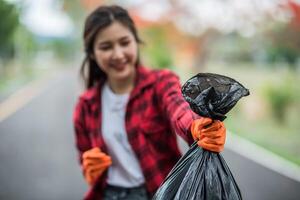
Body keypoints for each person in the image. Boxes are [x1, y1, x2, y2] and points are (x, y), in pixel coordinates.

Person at [73, 5, 226, 200]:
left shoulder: (160, 83)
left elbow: (178, 108)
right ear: (93, 53)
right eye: (106, 47)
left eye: (124, 42)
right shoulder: (86, 106)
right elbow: (85, 163)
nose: (118, 54)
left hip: (159, 192)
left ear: (136, 43)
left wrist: (196, 125)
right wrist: (90, 170)